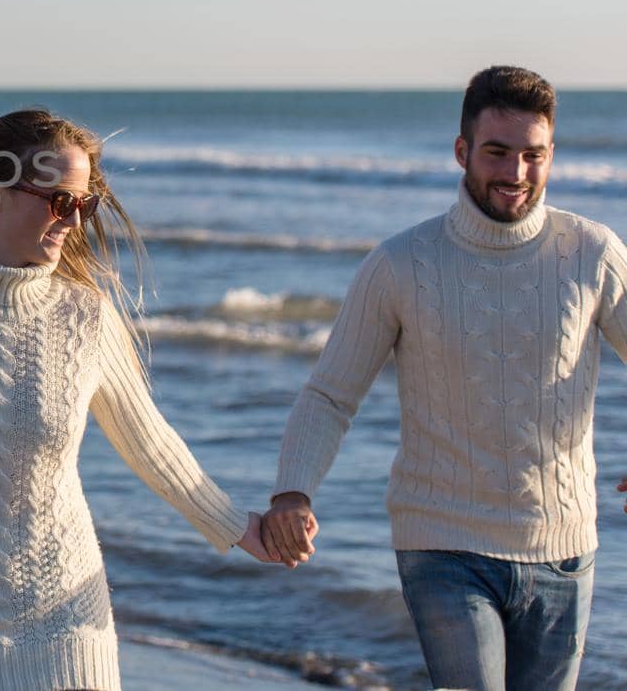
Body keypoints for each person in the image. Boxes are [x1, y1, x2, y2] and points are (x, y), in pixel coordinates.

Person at [0, 109, 278, 690]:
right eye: (58, 200)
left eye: (85, 203)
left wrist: (238, 526)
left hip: (67, 616)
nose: (74, 220)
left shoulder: (87, 316)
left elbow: (149, 441)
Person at [262, 66, 627, 691]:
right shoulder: (401, 263)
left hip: (565, 549)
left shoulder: (593, 252)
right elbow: (330, 393)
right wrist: (292, 493)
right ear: (463, 151)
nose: (515, 173)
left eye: (532, 156)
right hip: (442, 543)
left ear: (551, 157)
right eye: (497, 153)